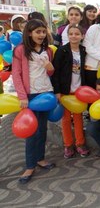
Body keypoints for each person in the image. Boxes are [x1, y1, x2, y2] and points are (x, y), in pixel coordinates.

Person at [12, 19, 56, 184]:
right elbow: (16, 74)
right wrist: (22, 96)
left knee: (42, 129)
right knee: (31, 132)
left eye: (43, 32)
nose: (41, 35)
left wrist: (50, 69)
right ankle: (29, 166)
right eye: (38, 32)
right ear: (29, 32)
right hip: (30, 96)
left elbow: (50, 73)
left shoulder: (48, 51)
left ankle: (40, 159)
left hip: (46, 93)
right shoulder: (21, 50)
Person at [52, 24, 90, 159]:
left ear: (82, 36)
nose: (74, 36)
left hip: (78, 90)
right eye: (71, 34)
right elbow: (55, 73)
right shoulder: (62, 51)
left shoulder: (83, 50)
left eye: (77, 34)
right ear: (67, 35)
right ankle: (68, 145)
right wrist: (57, 91)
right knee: (66, 119)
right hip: (65, 91)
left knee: (79, 118)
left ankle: (80, 144)